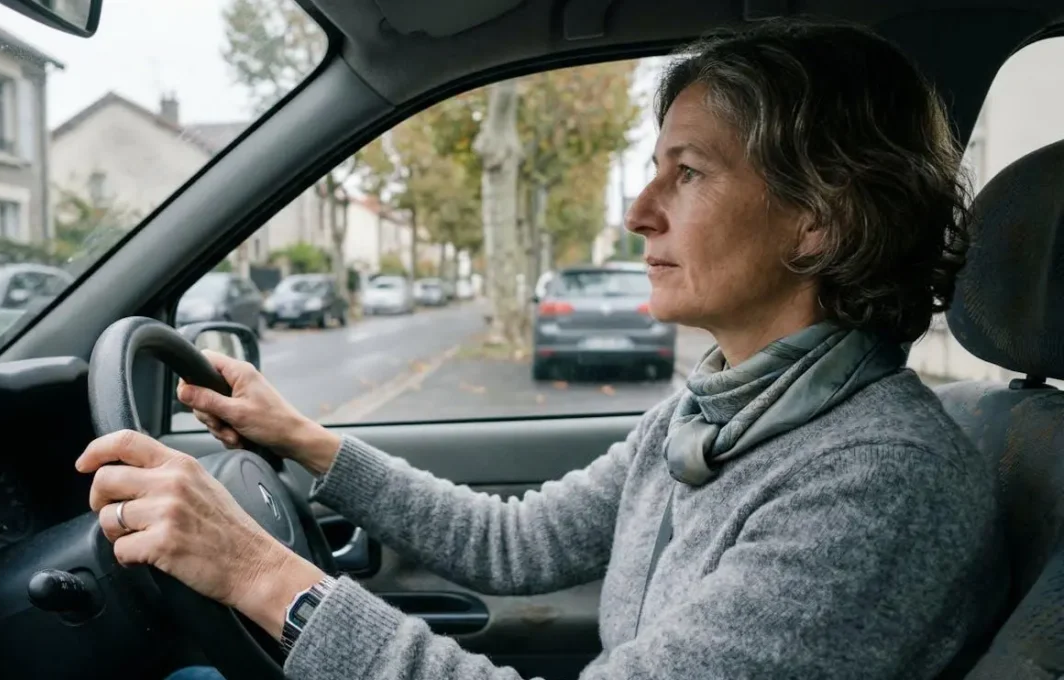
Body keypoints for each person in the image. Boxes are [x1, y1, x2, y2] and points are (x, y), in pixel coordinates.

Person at [75, 18, 1007, 680]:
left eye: (688, 173)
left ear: (819, 220)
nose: (639, 213)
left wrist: (261, 574)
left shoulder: (878, 484)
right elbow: (514, 542)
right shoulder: (718, 408)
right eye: (653, 171)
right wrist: (300, 439)